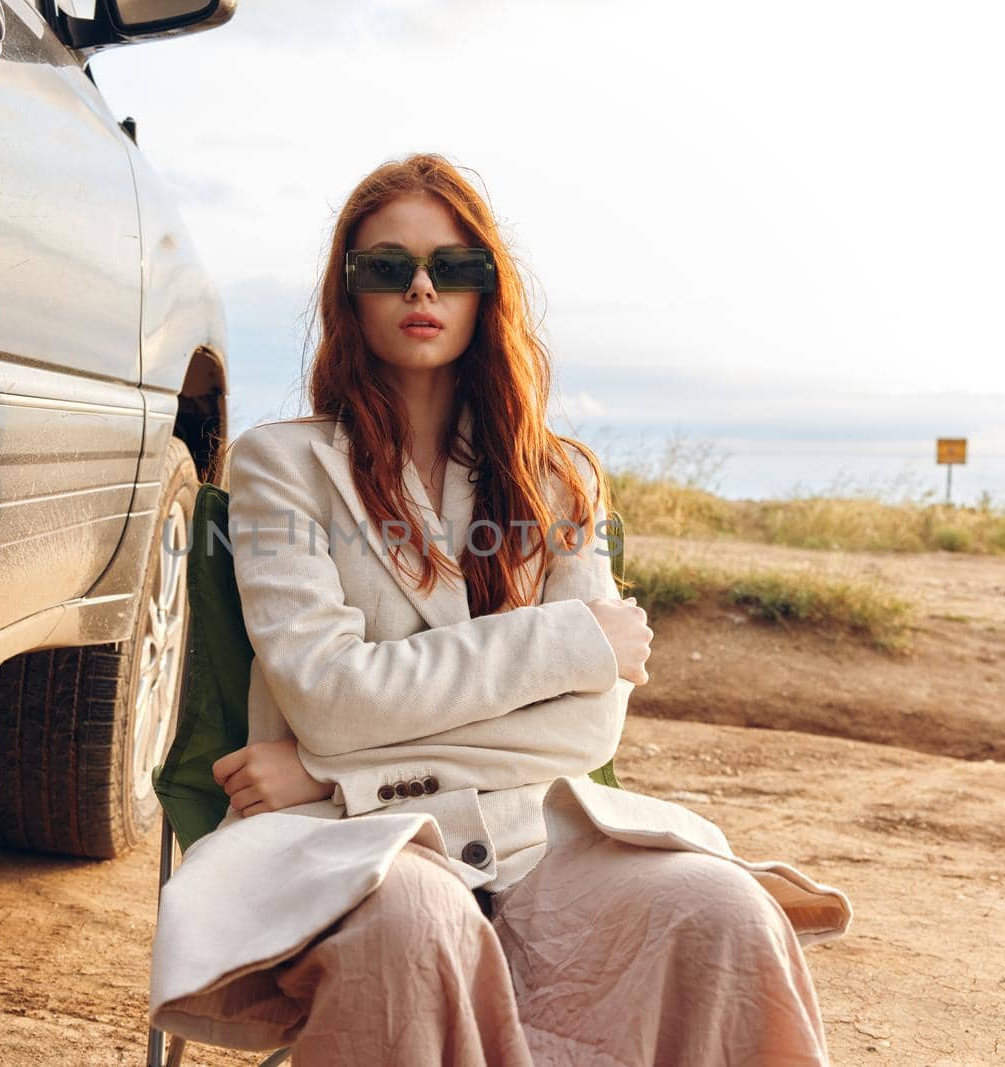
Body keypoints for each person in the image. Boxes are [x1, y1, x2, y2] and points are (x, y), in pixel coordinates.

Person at [148, 152, 852, 1066]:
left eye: (455, 265)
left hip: (526, 831)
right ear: (349, 294)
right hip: (350, 842)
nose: (423, 286)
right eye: (387, 267)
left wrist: (335, 769)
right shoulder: (281, 468)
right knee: (411, 927)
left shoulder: (559, 482)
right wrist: (569, 641)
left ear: (490, 291)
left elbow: (586, 732)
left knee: (721, 912)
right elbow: (330, 695)